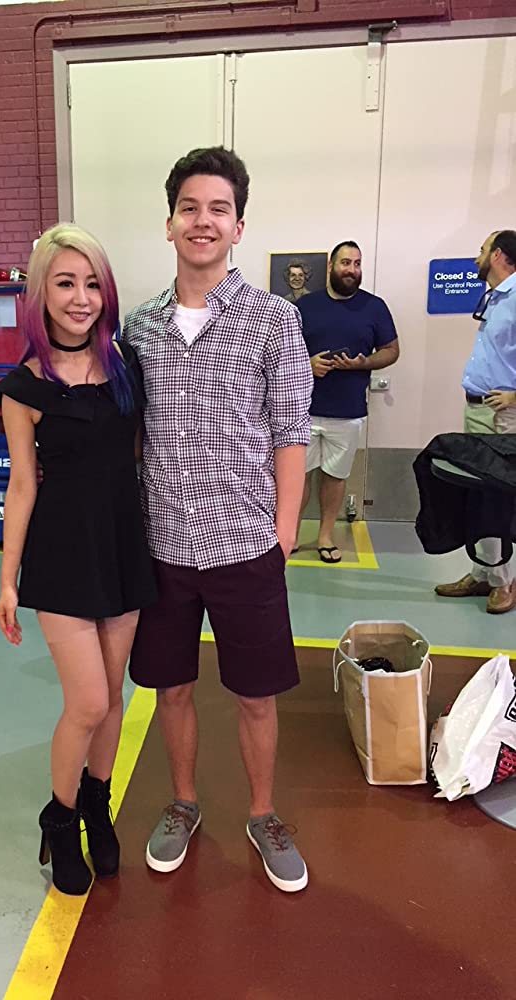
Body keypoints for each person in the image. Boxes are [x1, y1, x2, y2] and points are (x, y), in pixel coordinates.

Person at [123, 147, 313, 893]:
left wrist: (284, 529)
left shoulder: (273, 320)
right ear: (170, 222)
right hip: (165, 544)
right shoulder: (139, 328)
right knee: (170, 687)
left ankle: (263, 813)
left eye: (219, 210)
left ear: (238, 227)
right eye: (190, 208)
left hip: (246, 541)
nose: (203, 221)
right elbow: (131, 434)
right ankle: (184, 802)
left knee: (255, 693)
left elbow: (289, 431)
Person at [0, 223, 157, 895]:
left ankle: (97, 801)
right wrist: (7, 580)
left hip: (122, 545)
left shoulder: (126, 368)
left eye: (92, 283)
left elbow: (139, 454)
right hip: (62, 555)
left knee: (113, 697)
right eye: (65, 283)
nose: (81, 297)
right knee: (86, 702)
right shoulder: (23, 388)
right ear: (40, 294)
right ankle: (60, 819)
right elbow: (21, 485)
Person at [296, 241, 399, 563]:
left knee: (336, 476)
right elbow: (281, 352)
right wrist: (307, 364)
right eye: (345, 263)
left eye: (357, 263)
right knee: (297, 476)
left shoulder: (375, 307)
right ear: (330, 266)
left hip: (348, 411)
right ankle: (290, 534)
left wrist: (363, 363)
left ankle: (325, 536)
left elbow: (391, 351)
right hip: (302, 410)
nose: (352, 270)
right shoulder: (304, 306)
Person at [434, 229, 516, 615]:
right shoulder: (496, 297)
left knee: (496, 498)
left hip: (501, 415)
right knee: (480, 495)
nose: (476, 258)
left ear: (498, 255)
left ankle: (503, 583)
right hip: (479, 410)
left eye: (482, 251)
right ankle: (483, 573)